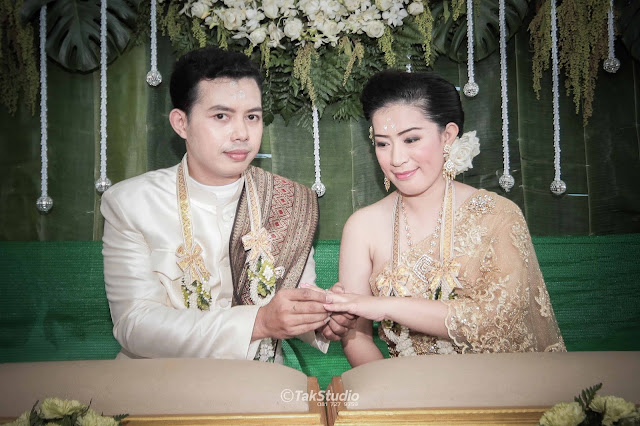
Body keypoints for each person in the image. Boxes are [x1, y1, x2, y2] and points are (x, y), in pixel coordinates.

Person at [101, 46, 353, 362]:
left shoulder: (287, 199)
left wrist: (321, 319)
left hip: (261, 379)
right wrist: (258, 323)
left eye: (252, 117)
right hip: (162, 381)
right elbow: (134, 325)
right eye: (221, 116)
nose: (242, 134)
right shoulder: (131, 203)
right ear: (181, 123)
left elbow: (293, 297)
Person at [324, 70, 566, 367]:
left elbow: (497, 320)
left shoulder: (498, 215)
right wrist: (396, 390)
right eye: (383, 143)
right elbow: (356, 337)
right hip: (406, 388)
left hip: (499, 383)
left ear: (447, 135)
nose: (396, 159)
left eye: (411, 139)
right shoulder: (362, 226)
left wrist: (384, 306)